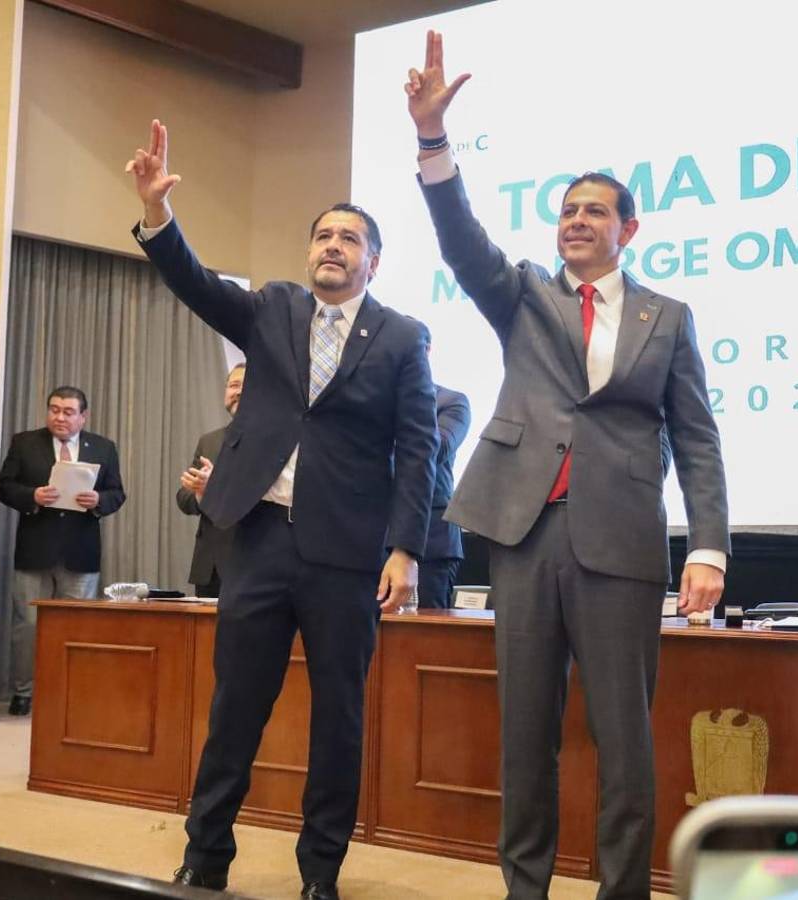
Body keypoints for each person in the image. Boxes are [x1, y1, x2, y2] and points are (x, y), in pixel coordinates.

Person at [405, 32, 730, 900]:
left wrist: (708, 546)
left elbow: (696, 437)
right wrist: (433, 141)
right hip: (521, 531)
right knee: (524, 735)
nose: (576, 221)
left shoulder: (668, 316)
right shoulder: (523, 295)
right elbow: (459, 238)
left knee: (623, 740)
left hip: (620, 539)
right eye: (567, 210)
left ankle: (622, 891)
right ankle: (526, 890)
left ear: (629, 229)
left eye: (594, 211)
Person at [127, 120, 437, 900]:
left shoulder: (402, 337)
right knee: (235, 708)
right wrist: (159, 215)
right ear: (310, 252)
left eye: (349, 237)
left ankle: (319, 872)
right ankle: (206, 855)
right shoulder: (273, 309)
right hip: (259, 538)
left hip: (346, 555)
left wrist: (406, 548)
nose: (332, 245)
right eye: (323, 235)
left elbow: (418, 451)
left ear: (374, 259)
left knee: (339, 720)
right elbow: (196, 284)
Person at [0, 386, 126, 717]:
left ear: (83, 416)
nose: (60, 417)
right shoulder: (25, 443)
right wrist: (32, 497)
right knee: (27, 625)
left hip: (80, 552)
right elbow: (5, 487)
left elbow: (117, 493)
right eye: (54, 409)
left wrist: (99, 502)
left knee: (78, 625)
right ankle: (23, 691)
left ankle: (72, 689)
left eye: (68, 412)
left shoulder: (103, 447)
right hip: (35, 549)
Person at [409, 319, 471, 608]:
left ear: (427, 350)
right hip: (370, 538)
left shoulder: (451, 401)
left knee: (424, 642)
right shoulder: (371, 400)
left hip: (431, 541)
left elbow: (438, 447)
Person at [177, 363, 245, 597]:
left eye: (247, 385)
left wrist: (214, 488)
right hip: (210, 565)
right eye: (233, 385)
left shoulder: (274, 441)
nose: (238, 391)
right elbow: (184, 498)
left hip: (252, 563)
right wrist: (200, 492)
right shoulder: (209, 441)